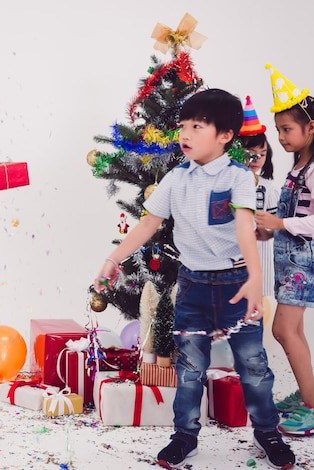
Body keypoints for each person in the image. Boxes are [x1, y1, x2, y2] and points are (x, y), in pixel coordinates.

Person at [94, 89, 295, 469]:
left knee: (252, 365)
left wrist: (255, 277)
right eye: (183, 126)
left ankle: (267, 431)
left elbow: (242, 226)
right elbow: (149, 223)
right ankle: (184, 435)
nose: (185, 133)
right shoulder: (175, 178)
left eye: (197, 126)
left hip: (237, 284)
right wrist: (113, 259)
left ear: (225, 136)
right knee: (188, 368)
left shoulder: (238, 178)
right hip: (192, 287)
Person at [255, 64, 314, 436]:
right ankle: (309, 393)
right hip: (287, 259)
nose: (281, 137)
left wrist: (279, 224)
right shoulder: (298, 168)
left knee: (282, 329)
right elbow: (290, 216)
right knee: (294, 329)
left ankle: (312, 406)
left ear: (311, 128)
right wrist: (267, 231)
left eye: (287, 129)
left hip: (302, 264)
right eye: (278, 130)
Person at [239, 96, 279, 302]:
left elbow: (275, 221)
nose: (257, 160)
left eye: (262, 154)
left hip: (260, 255)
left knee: (257, 310)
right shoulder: (230, 182)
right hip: (234, 260)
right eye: (251, 154)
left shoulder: (267, 187)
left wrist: (266, 231)